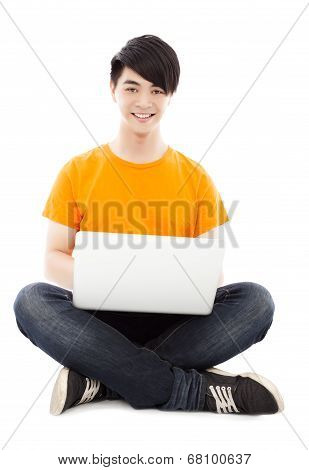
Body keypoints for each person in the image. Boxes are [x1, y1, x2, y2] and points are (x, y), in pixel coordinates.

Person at [13, 34, 284, 416]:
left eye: (157, 90)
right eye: (132, 87)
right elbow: (54, 258)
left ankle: (102, 381)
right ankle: (194, 391)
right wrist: (113, 280)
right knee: (31, 301)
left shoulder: (196, 177)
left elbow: (212, 277)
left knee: (256, 302)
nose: (144, 102)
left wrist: (170, 284)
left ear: (170, 95)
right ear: (113, 89)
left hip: (177, 325)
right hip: (99, 322)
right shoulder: (77, 171)